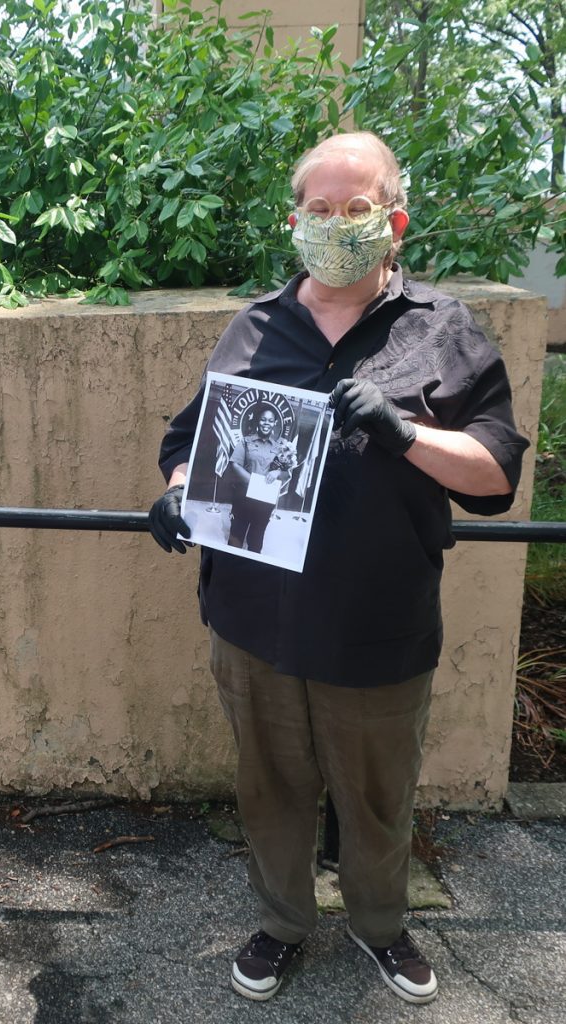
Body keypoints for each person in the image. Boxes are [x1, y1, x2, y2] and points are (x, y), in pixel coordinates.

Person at [148, 131, 527, 1005]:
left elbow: (496, 476)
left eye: (355, 207)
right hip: (253, 621)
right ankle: (284, 922)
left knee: (377, 797)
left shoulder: (443, 330)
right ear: (295, 221)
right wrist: (179, 494)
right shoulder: (256, 325)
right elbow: (189, 442)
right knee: (271, 788)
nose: (335, 223)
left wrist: (404, 431)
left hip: (378, 625)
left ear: (393, 221)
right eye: (318, 208)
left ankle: (380, 927)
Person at [225, 406, 293, 553]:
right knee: (235, 540)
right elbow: (235, 465)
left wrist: (278, 473)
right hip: (243, 498)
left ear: (275, 423)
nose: (266, 423)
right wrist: (253, 483)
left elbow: (286, 474)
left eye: (270, 420)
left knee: (256, 543)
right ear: (258, 422)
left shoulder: (280, 448)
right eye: (263, 420)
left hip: (264, 503)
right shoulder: (245, 441)